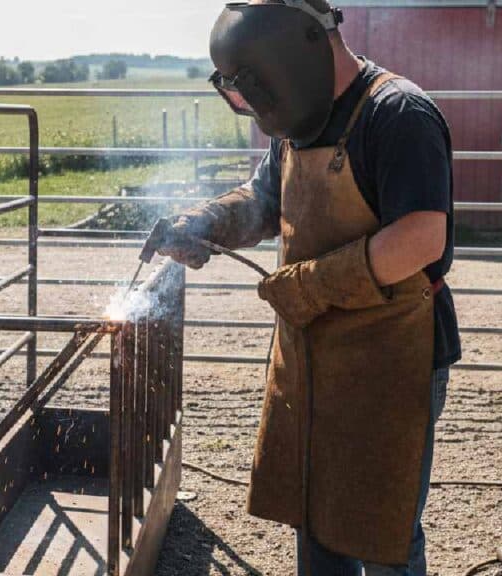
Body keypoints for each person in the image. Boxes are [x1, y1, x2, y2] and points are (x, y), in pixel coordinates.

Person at [147, 1, 460, 574]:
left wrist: (313, 285)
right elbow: (266, 200)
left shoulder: (397, 113)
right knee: (316, 516)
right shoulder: (300, 117)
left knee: (379, 528)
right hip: (313, 353)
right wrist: (207, 222)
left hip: (392, 356)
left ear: (296, 51)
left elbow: (421, 237)